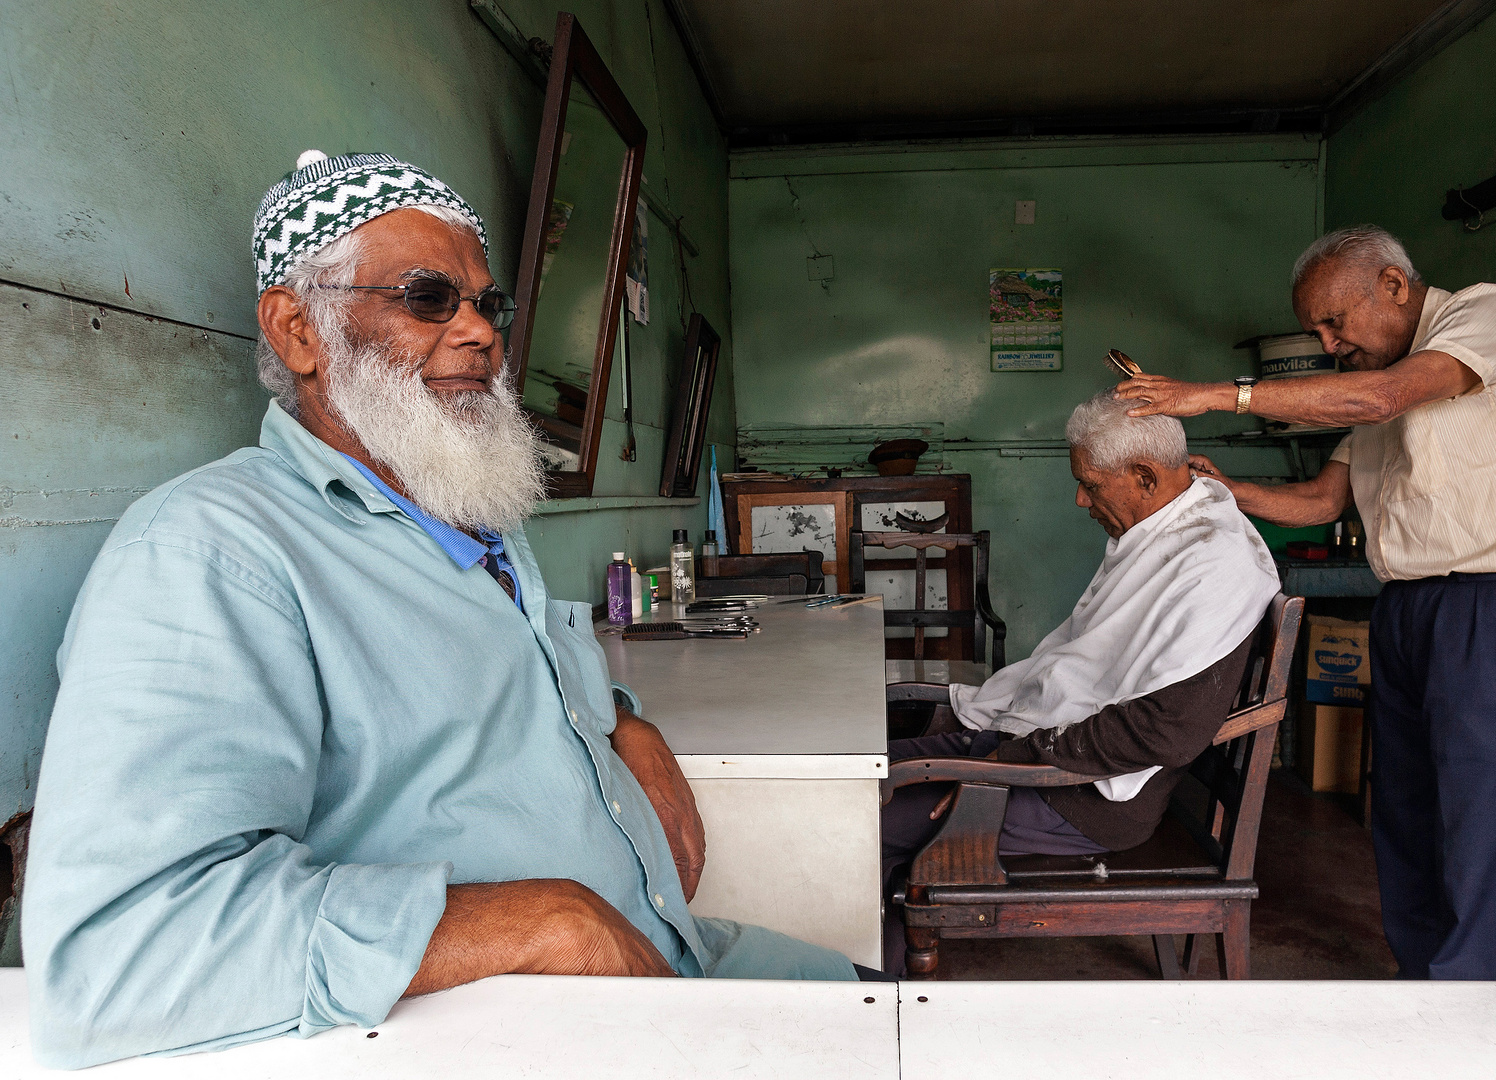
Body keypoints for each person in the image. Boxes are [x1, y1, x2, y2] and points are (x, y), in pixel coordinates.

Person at [23, 152, 855, 1070]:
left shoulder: (468, 505)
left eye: (485, 303)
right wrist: (540, 923)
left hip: (670, 960)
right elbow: (122, 954)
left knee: (873, 996)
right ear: (300, 331)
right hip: (519, 1027)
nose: (480, 334)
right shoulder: (204, 557)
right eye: (428, 297)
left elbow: (506, 677)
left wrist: (624, 725)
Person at [1114, 225, 1496, 981]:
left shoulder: (1490, 317)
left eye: (1335, 322)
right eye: (1317, 332)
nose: (1331, 344)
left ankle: (1489, 1012)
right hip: (1407, 611)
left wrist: (1216, 395)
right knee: (1409, 815)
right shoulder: (1381, 383)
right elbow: (1318, 499)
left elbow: (1378, 398)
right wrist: (1222, 489)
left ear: (1395, 286)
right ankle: (1425, 982)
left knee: (1492, 825)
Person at [882, 392, 1280, 970]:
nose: (1079, 499)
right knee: (854, 776)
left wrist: (996, 769)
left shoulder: (1216, 564)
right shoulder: (1164, 532)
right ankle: (875, 989)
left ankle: (863, 1003)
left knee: (851, 822)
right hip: (1035, 751)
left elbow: (1163, 731)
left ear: (1144, 475)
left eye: (1091, 485)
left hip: (1078, 796)